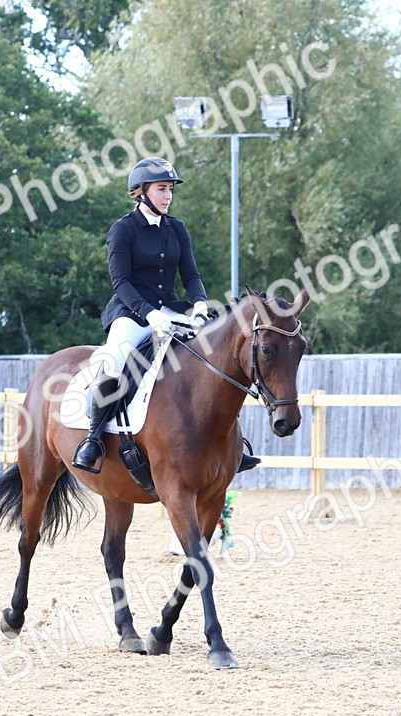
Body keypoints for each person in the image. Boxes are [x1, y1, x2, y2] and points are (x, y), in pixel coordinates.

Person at [71, 156, 261, 476]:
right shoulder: (123, 230)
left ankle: (229, 445)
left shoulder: (177, 228)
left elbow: (191, 274)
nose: (168, 196)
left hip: (175, 309)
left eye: (170, 189)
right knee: (114, 362)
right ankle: (93, 440)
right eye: (161, 189)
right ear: (141, 191)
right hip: (131, 313)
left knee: (213, 357)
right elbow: (121, 283)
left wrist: (200, 303)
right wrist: (149, 314)